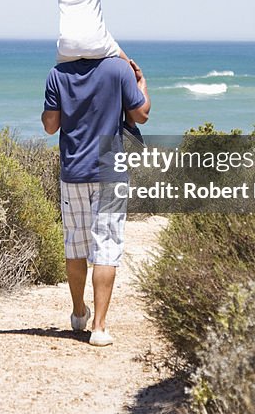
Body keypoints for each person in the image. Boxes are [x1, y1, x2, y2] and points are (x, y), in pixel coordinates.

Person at [42, 54, 151, 346]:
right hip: (109, 171)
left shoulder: (58, 73)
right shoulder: (118, 68)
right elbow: (141, 114)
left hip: (74, 171)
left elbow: (50, 126)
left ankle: (79, 314)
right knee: (106, 245)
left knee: (75, 245)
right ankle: (99, 328)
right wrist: (142, 83)